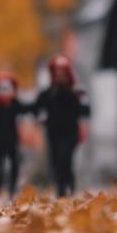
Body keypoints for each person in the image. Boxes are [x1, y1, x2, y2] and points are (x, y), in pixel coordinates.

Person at [32, 55, 89, 197]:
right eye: (56, 72)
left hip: (70, 132)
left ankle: (69, 184)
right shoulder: (48, 93)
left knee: (66, 158)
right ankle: (61, 190)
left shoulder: (74, 92)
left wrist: (79, 98)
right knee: (56, 161)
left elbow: (84, 110)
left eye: (62, 72)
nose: (59, 75)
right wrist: (40, 117)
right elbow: (36, 108)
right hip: (53, 132)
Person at [0, 71, 26, 198]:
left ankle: (12, 189)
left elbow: (26, 110)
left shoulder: (16, 104)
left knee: (14, 164)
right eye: (1, 88)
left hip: (12, 139)